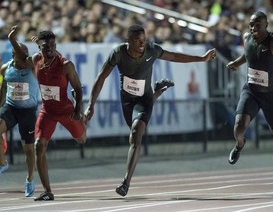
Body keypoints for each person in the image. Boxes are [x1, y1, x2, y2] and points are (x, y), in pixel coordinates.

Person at [84, 24, 216, 197]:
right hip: (127, 101)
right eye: (137, 41)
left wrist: (201, 59)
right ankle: (159, 91)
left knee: (136, 133)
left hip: (143, 99)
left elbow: (174, 56)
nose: (142, 44)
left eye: (144, 40)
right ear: (128, 41)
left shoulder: (152, 50)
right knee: (134, 132)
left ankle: (125, 183)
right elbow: (101, 77)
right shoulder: (118, 53)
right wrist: (90, 105)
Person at [8, 26, 87, 201]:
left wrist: (77, 108)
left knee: (81, 140)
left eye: (52, 45)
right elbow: (21, 57)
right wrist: (12, 39)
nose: (49, 48)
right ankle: (47, 191)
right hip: (48, 111)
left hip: (67, 110)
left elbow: (78, 88)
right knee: (39, 146)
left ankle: (84, 120)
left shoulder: (66, 65)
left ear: (55, 45)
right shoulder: (36, 60)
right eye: (45, 46)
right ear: (40, 48)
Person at [226, 11, 273, 186]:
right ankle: (240, 145)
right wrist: (236, 63)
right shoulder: (247, 38)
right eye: (251, 24)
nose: (253, 28)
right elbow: (248, 54)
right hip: (251, 92)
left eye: (257, 25)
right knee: (238, 128)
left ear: (266, 25)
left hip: (270, 96)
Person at [0, 43, 38, 197]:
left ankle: (30, 179)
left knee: (28, 149)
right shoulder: (5, 69)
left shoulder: (32, 67)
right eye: (22, 55)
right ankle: (2, 163)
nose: (25, 58)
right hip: (10, 108)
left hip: (28, 112)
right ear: (14, 56)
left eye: (27, 55)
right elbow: (3, 89)